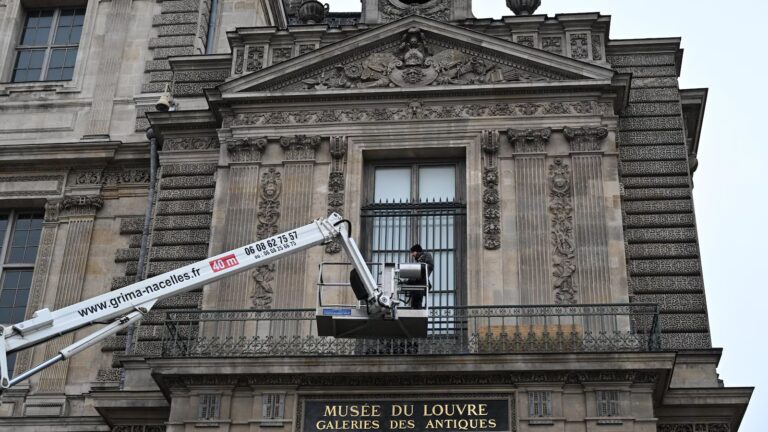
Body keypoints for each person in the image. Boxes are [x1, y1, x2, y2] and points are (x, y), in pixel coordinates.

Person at [408, 244, 434, 309]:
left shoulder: (426, 255)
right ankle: (415, 309)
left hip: (421, 282)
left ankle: (417, 309)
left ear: (417, 251)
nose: (412, 254)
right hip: (417, 282)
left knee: (418, 296)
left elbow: (430, 266)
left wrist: (419, 267)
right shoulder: (418, 260)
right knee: (415, 297)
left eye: (413, 252)